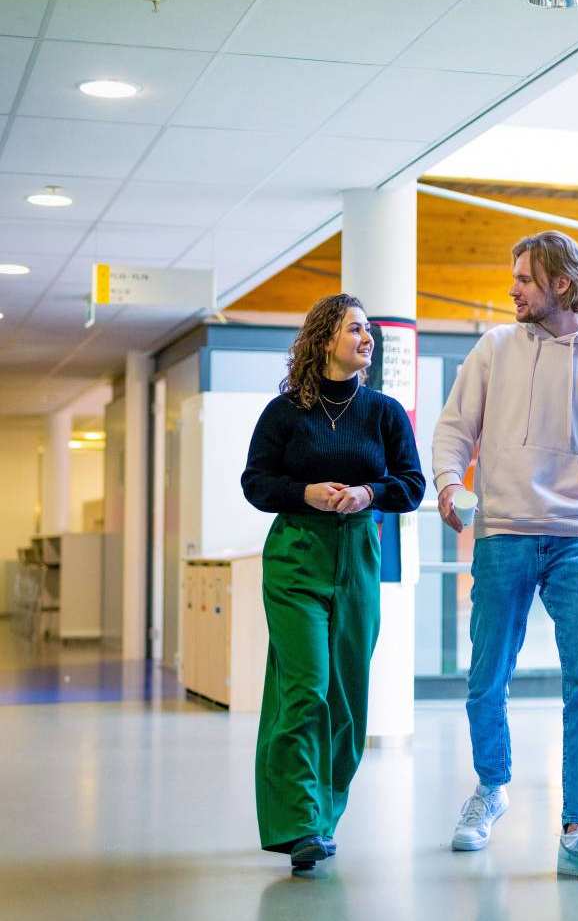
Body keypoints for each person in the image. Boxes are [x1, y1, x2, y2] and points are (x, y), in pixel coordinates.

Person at [432, 231, 578, 885]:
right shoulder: (495, 348)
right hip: (503, 531)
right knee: (487, 677)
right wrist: (450, 485)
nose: (513, 289)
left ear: (561, 283)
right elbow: (453, 430)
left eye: (525, 279)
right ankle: (491, 786)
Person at [242, 293, 425, 874]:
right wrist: (306, 493)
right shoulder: (285, 413)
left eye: (370, 330)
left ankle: (322, 816)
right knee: (306, 687)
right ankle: (297, 823)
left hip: (358, 556)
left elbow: (412, 484)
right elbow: (255, 483)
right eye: (355, 329)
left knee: (347, 694)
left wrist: (370, 494)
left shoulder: (384, 413)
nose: (367, 338)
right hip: (297, 553)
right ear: (325, 340)